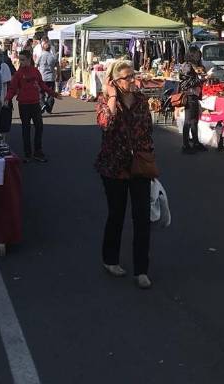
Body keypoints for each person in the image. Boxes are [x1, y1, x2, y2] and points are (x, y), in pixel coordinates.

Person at [95, 59, 155, 290]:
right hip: (113, 166)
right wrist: (111, 96)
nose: (132, 80)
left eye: (133, 75)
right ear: (114, 81)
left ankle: (141, 269)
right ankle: (110, 259)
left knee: (142, 218)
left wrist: (149, 158)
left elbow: (147, 130)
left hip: (139, 164)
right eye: (127, 77)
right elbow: (106, 124)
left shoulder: (141, 101)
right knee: (116, 214)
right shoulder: (106, 100)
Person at [5, 50, 59, 163]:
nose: (21, 62)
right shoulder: (18, 74)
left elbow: (42, 85)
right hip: (23, 105)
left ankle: (38, 151)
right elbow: (12, 88)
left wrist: (53, 93)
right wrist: (7, 98)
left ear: (29, 59)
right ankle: (27, 153)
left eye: (23, 59)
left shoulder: (35, 71)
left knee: (39, 127)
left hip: (35, 103)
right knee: (26, 129)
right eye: (20, 59)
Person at [179, 47, 206, 154]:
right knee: (188, 121)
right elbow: (185, 83)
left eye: (199, 55)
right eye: (197, 55)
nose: (199, 56)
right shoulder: (187, 66)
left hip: (195, 95)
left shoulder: (197, 65)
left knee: (195, 120)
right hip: (189, 95)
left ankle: (195, 142)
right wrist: (202, 79)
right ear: (192, 55)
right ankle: (185, 145)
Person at [36, 39, 58, 113]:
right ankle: (48, 108)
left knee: (41, 92)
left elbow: (36, 65)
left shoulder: (40, 56)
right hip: (51, 77)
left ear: (43, 48)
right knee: (51, 93)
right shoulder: (53, 56)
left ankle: (42, 104)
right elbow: (58, 66)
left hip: (42, 77)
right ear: (50, 48)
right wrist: (58, 75)